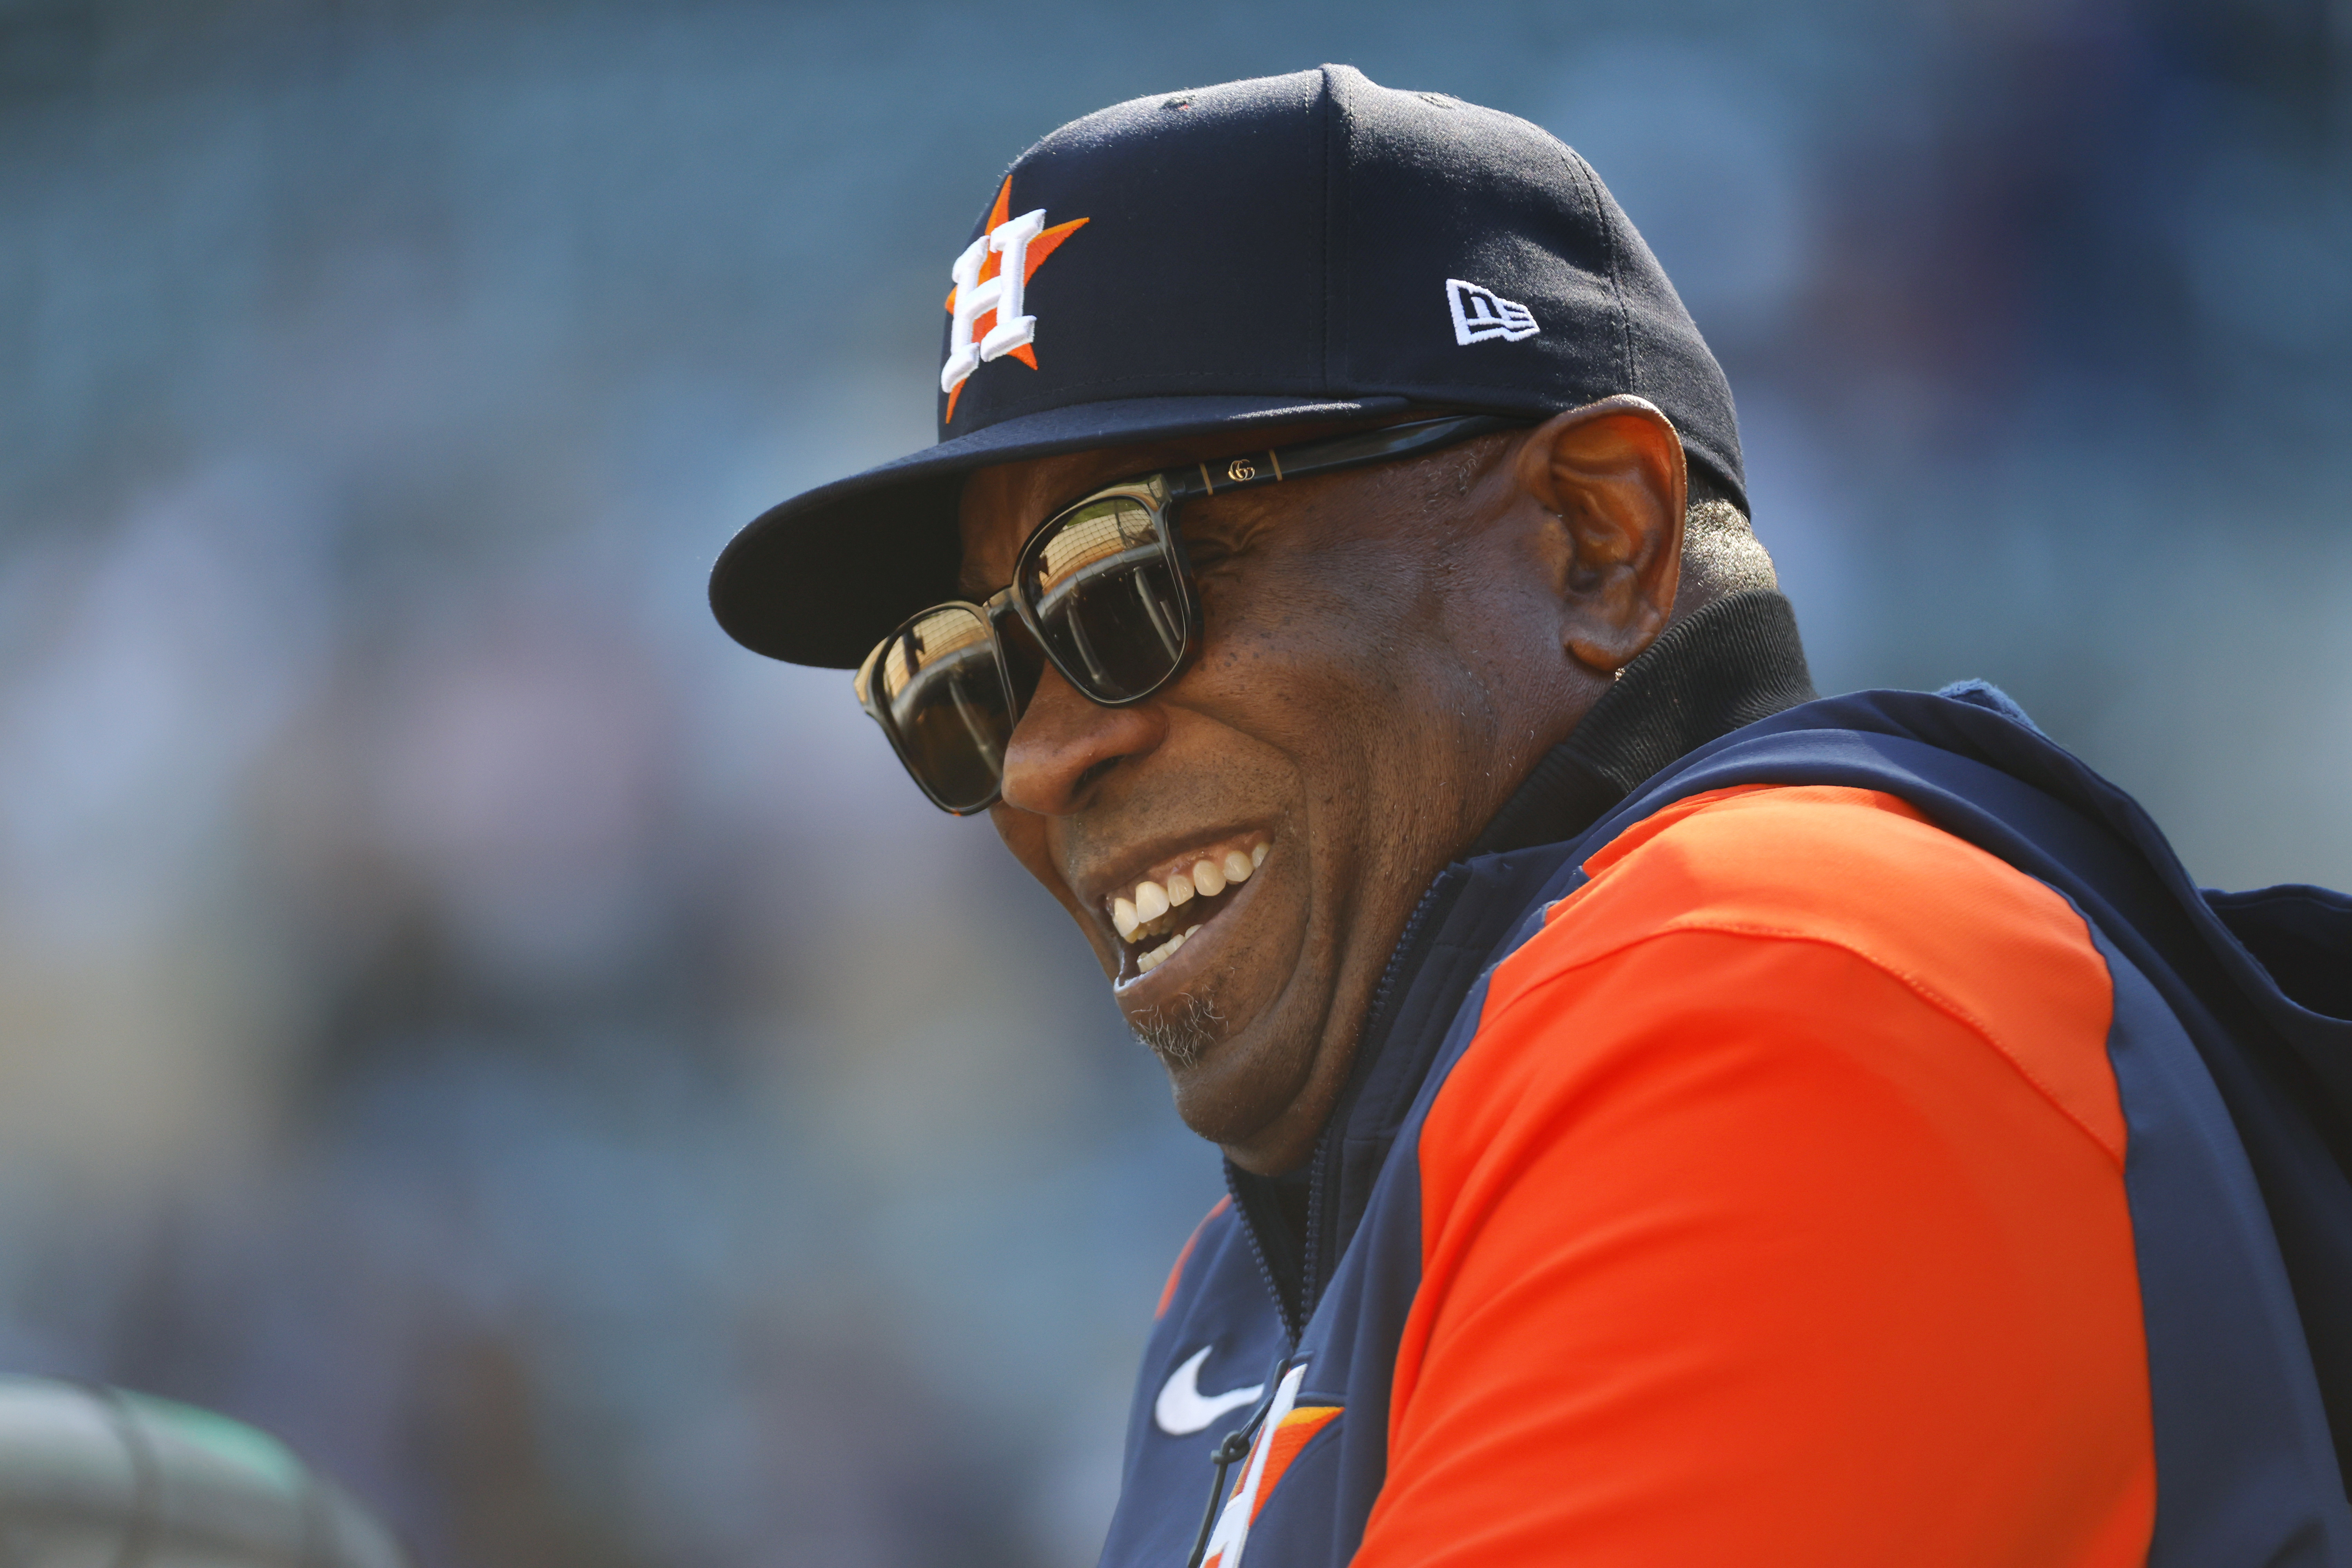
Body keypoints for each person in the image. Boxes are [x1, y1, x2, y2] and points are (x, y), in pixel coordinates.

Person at [710, 66, 2352, 1567]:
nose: (1036, 764)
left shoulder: (1771, 969)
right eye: (963, 678)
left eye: (1123, 584)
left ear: (1599, 533)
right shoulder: (1245, 1275)